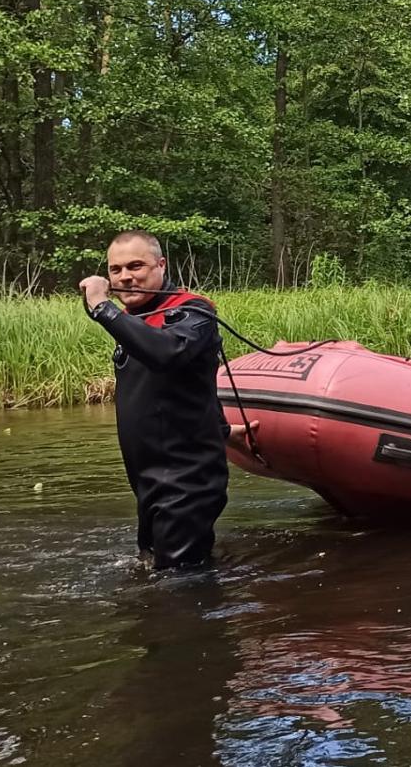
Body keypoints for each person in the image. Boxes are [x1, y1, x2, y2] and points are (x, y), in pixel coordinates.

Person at [79, 230, 236, 569]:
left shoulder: (193, 312)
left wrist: (103, 308)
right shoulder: (132, 322)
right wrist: (223, 429)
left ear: (161, 265)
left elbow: (168, 353)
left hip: (187, 479)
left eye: (136, 266)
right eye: (116, 269)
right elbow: (190, 387)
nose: (125, 277)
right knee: (152, 568)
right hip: (149, 481)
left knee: (178, 584)